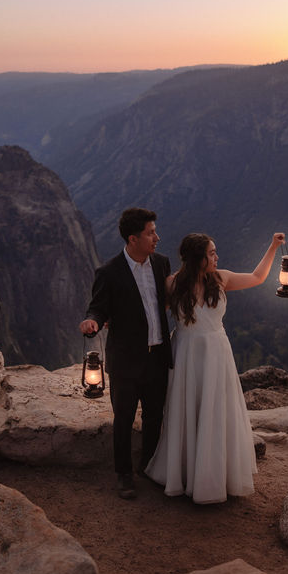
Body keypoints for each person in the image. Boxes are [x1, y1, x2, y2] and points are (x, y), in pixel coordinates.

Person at [145, 231, 285, 504]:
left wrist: (273, 246)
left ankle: (215, 476)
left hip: (217, 354)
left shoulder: (221, 278)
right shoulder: (172, 284)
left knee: (216, 411)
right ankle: (188, 473)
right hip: (186, 354)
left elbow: (257, 278)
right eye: (211, 253)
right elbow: (150, 313)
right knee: (190, 410)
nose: (217, 257)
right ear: (197, 258)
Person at [80, 208, 173, 500]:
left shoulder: (161, 263)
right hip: (126, 360)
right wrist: (92, 320)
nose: (157, 238)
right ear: (133, 239)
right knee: (123, 417)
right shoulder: (108, 272)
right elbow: (98, 306)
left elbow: (167, 300)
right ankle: (124, 474)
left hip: (157, 354)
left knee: (155, 416)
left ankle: (149, 466)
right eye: (150, 233)